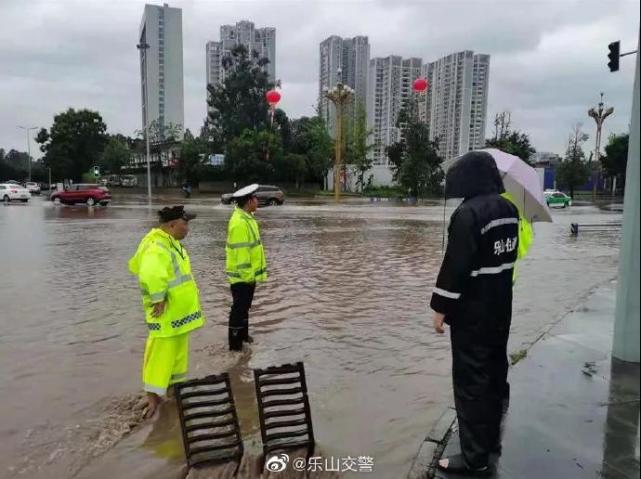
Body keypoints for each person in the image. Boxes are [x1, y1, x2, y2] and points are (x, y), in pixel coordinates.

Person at [430, 152, 519, 476]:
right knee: (495, 377)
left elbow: (456, 267)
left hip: (473, 317)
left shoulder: (467, 214)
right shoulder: (509, 210)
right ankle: (490, 442)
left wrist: (440, 308)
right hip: (500, 310)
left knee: (471, 384)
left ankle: (473, 458)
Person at [128, 205, 204, 418]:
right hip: (166, 314)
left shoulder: (171, 244)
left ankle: (174, 391)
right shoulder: (157, 247)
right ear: (172, 225)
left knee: (177, 357)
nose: (187, 228)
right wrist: (158, 299)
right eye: (185, 223)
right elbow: (152, 274)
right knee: (160, 356)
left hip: (178, 316)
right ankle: (152, 397)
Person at [225, 184, 267, 351]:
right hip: (242, 277)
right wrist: (248, 277)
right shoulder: (240, 223)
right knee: (239, 308)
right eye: (255, 198)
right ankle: (235, 346)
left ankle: (243, 336)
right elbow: (241, 253)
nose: (258, 201)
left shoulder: (247, 218)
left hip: (248, 276)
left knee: (244, 307)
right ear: (249, 201)